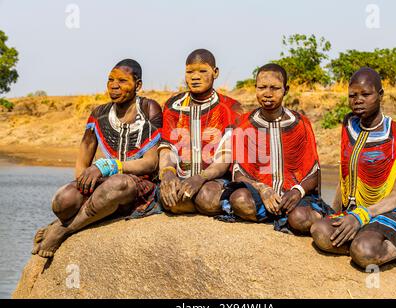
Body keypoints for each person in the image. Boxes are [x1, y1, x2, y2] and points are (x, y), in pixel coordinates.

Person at [310, 67, 396, 269]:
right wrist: (338, 213)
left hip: (389, 210)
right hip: (356, 208)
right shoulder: (348, 124)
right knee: (319, 232)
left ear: (380, 95)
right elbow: (346, 176)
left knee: (363, 252)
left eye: (366, 94)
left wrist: (360, 216)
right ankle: (386, 246)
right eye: (352, 95)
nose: (358, 100)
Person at [32, 59, 162, 258]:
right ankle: (64, 219)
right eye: (110, 80)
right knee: (62, 200)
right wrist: (82, 185)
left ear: (138, 85)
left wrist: (108, 166)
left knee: (117, 183)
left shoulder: (148, 108)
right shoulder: (99, 113)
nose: (114, 85)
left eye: (122, 81)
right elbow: (83, 159)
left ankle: (63, 230)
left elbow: (151, 163)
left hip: (138, 186)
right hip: (105, 183)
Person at [216, 63, 331, 234]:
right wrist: (262, 188)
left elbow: (313, 172)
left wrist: (297, 191)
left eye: (275, 88)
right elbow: (239, 172)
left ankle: (288, 215)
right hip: (261, 196)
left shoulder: (300, 123)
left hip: (293, 197)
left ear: (286, 89)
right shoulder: (245, 124)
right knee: (239, 199)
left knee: (300, 218)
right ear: (255, 88)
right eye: (262, 87)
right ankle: (278, 215)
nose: (268, 93)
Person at [158, 49, 244, 216]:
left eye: (202, 71)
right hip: (181, 175)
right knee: (172, 198)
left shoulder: (230, 107)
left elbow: (225, 157)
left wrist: (201, 177)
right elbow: (167, 147)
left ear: (215, 72)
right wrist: (168, 173)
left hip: (214, 179)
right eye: (190, 72)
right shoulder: (173, 105)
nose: (195, 77)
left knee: (207, 198)